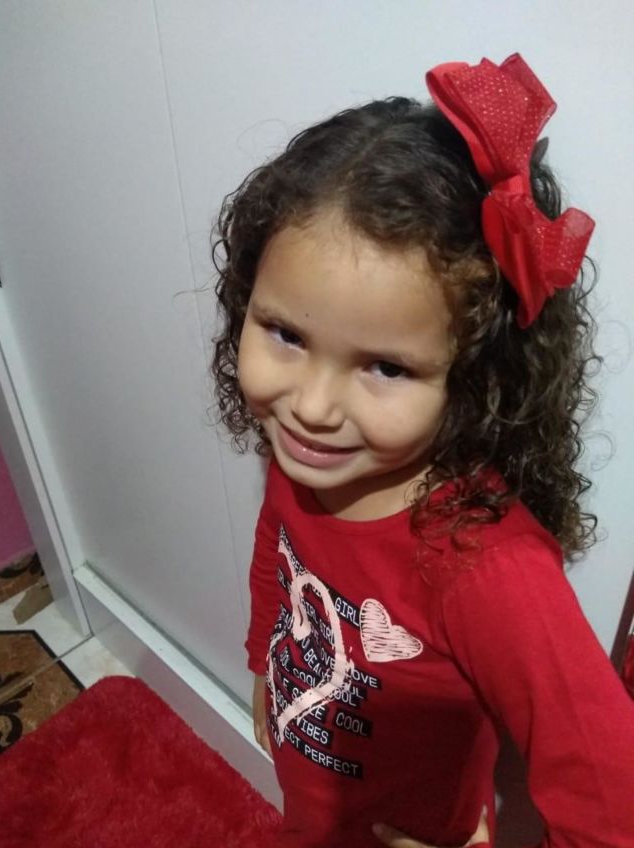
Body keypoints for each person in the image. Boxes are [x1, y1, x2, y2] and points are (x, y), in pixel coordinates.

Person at [210, 53, 634, 848]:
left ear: (475, 374)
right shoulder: (310, 455)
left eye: (386, 367)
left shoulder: (485, 568)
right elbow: (278, 550)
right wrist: (266, 666)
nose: (312, 406)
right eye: (286, 334)